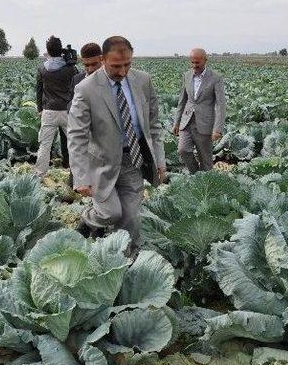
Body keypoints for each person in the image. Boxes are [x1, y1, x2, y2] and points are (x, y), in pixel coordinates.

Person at [67, 36, 166, 250]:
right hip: (101, 163)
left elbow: (153, 125)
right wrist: (81, 176)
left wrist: (160, 160)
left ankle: (127, 256)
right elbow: (77, 135)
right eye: (116, 66)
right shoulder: (86, 89)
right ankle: (88, 221)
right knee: (111, 212)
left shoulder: (143, 80)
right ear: (103, 59)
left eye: (127, 64)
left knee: (131, 217)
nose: (122, 71)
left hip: (134, 159)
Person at [172, 48, 226, 173]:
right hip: (187, 121)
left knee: (205, 159)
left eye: (197, 63)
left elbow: (220, 105)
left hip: (205, 123)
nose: (194, 66)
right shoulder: (187, 75)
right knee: (183, 150)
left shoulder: (216, 78)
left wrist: (218, 129)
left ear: (205, 60)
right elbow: (182, 101)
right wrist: (176, 122)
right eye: (192, 62)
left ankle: (206, 182)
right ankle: (196, 174)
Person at [35, 36, 78, 176]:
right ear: (61, 50)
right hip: (67, 111)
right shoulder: (70, 69)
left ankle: (40, 174)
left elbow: (39, 90)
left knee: (45, 144)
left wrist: (40, 108)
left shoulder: (42, 69)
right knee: (75, 144)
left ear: (47, 51)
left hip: (49, 111)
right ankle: (77, 172)